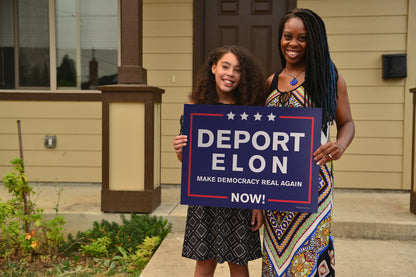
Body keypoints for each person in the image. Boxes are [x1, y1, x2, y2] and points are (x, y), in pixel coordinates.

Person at [262, 8, 355, 277]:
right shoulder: (269, 83)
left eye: (302, 38)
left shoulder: (328, 78)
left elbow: (347, 123)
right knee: (276, 259)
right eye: (287, 36)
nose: (293, 43)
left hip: (314, 185)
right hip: (275, 187)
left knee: (309, 257)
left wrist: (340, 145)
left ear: (313, 40)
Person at [173, 45, 267, 277]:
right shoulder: (196, 110)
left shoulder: (251, 111)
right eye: (225, 66)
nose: (230, 74)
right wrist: (179, 150)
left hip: (241, 197)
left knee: (238, 264)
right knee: (204, 263)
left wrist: (258, 204)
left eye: (237, 69)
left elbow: (258, 163)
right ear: (213, 68)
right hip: (205, 198)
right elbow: (190, 161)